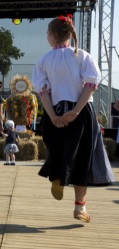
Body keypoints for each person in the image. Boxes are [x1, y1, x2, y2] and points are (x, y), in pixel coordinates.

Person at [32, 14, 114, 223]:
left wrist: (53, 117)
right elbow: (90, 86)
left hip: (56, 110)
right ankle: (80, 207)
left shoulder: (44, 60)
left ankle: (57, 175)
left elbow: (43, 93)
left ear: (51, 36)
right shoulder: (82, 55)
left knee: (59, 150)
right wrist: (76, 111)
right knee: (83, 157)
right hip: (81, 111)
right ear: (70, 34)